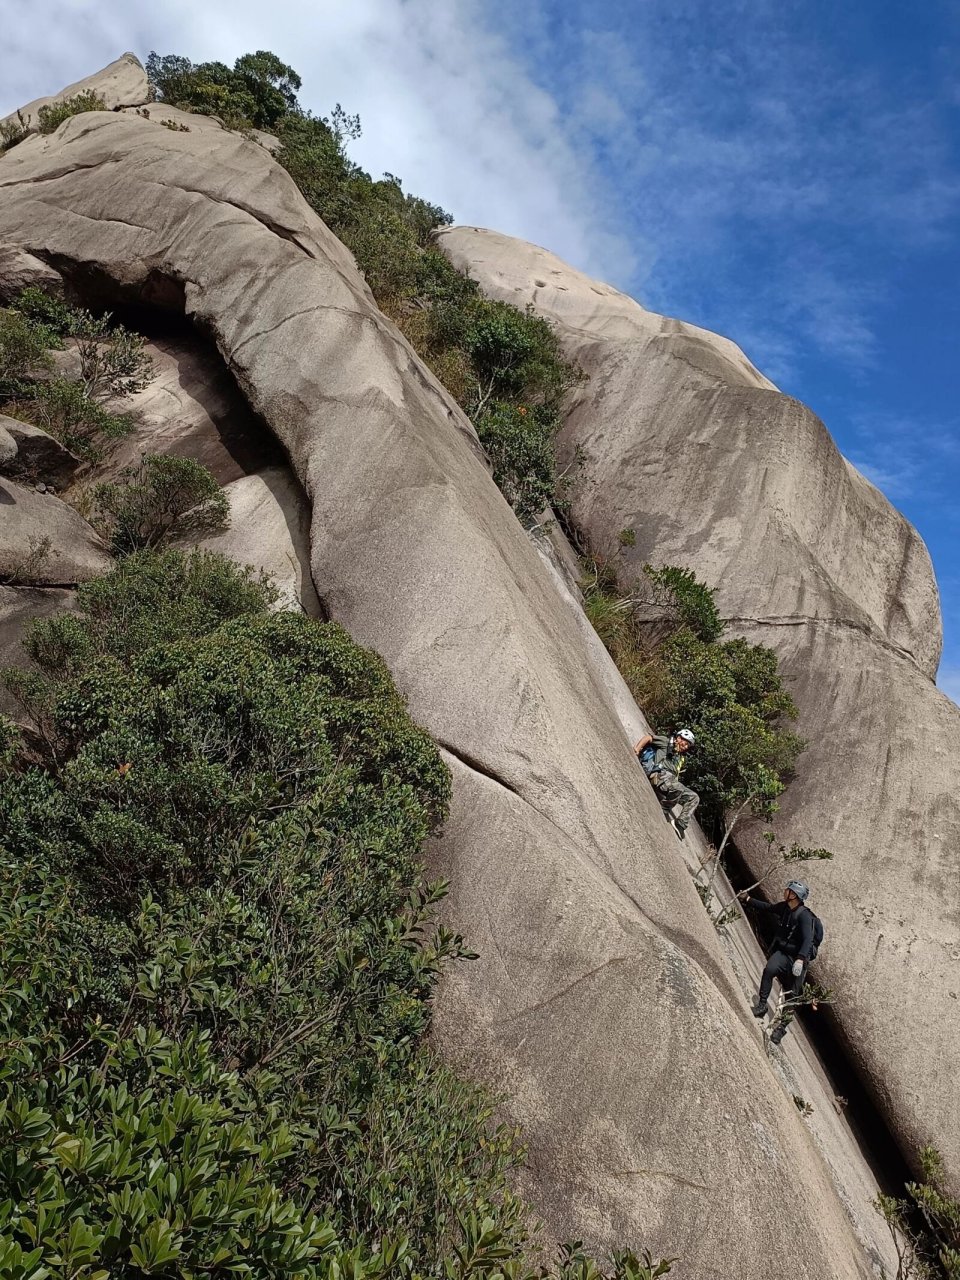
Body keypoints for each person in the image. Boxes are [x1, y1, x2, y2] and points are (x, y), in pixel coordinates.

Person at [740, 880, 814, 1045]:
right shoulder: (785, 908)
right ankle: (762, 1005)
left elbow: (808, 939)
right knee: (769, 970)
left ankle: (780, 1029)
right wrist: (748, 899)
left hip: (798, 959)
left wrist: (801, 959)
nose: (784, 892)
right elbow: (768, 908)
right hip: (784, 953)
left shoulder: (805, 916)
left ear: (794, 895)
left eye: (788, 890)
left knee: (792, 996)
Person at [633, 728, 699, 840]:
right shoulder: (665, 741)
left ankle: (680, 824)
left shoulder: (679, 757)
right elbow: (649, 738)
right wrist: (637, 749)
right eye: (686, 743)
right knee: (678, 787)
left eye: (688, 745)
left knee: (694, 797)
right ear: (679, 738)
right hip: (658, 775)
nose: (686, 747)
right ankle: (664, 808)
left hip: (669, 781)